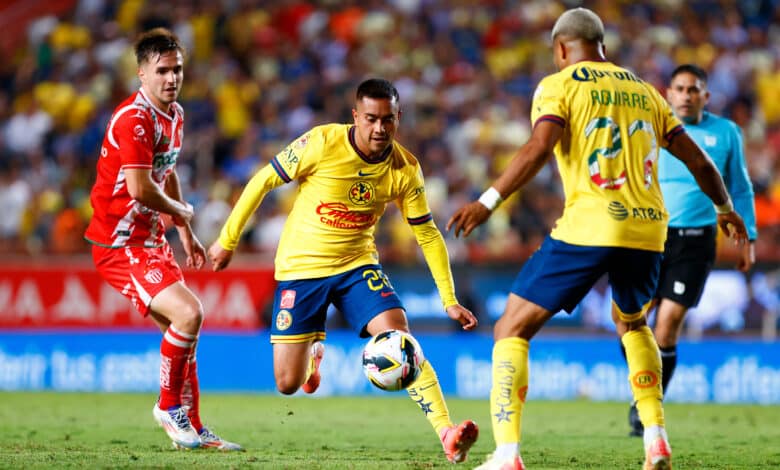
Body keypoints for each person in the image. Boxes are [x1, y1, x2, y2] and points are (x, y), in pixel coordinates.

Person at [446, 8, 749, 470]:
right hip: (649, 228)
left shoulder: (559, 84)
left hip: (592, 223)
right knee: (632, 324)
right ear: (601, 43)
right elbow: (701, 164)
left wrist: (487, 202)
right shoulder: (647, 91)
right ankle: (656, 439)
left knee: (511, 326)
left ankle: (507, 453)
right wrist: (727, 211)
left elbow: (538, 147)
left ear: (562, 47)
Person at [207, 78, 480, 464]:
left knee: (399, 336)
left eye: (388, 120)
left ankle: (447, 432)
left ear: (398, 118)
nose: (380, 129)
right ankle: (314, 354)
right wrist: (227, 240)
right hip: (302, 267)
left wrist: (449, 300)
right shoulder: (321, 142)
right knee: (287, 384)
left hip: (357, 265)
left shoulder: (405, 168)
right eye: (371, 119)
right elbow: (262, 181)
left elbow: (429, 236)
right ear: (355, 116)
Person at [84, 28, 241, 451]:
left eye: (177, 70)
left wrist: (184, 233)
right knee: (189, 315)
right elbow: (139, 187)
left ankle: (192, 427)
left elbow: (165, 170)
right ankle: (168, 407)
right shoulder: (135, 118)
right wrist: (183, 210)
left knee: (182, 333)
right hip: (119, 244)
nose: (171, 78)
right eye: (162, 71)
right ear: (141, 74)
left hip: (150, 239)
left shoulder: (175, 115)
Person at [624, 64, 758, 437]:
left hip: (696, 241)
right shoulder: (650, 127)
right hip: (649, 235)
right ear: (668, 93)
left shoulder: (725, 133)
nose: (686, 95)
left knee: (666, 326)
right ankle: (643, 386)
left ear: (706, 96)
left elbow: (741, 188)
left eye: (693, 89)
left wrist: (749, 239)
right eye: (679, 88)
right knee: (630, 322)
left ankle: (645, 406)